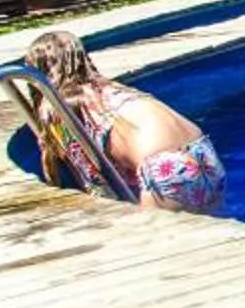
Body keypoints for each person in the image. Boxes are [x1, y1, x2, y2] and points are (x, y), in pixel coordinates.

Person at [27, 30, 228, 215]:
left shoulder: (58, 106)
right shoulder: (112, 89)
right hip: (201, 151)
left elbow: (94, 181)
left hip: (165, 165)